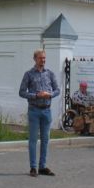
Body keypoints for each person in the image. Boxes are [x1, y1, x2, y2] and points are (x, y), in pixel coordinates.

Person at [19, 48, 60, 178]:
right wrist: (36, 95)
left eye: (44, 58)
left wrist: (50, 94)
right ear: (35, 59)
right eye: (40, 58)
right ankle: (33, 167)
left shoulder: (50, 74)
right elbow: (21, 92)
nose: (43, 60)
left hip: (46, 110)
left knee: (45, 139)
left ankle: (42, 166)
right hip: (34, 110)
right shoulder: (29, 74)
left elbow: (57, 90)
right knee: (33, 140)